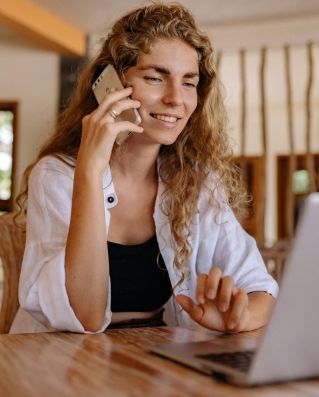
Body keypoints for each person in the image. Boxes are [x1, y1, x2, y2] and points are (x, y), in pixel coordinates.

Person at [10, 2, 278, 334]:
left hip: (153, 359)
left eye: (189, 83)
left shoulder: (196, 179)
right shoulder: (57, 175)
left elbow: (261, 289)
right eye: (155, 77)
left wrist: (241, 318)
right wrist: (90, 172)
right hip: (59, 362)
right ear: (109, 85)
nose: (175, 99)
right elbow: (87, 316)